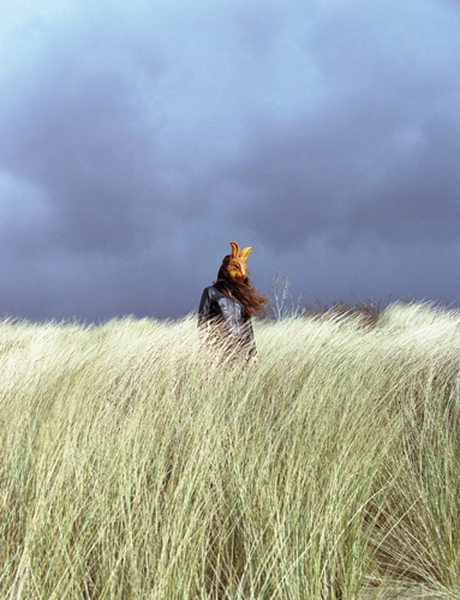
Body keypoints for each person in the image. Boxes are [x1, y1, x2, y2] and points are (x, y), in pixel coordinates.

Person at [198, 241, 268, 364]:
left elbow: (247, 327)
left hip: (241, 349)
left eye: (244, 269)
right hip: (220, 347)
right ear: (226, 269)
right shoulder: (211, 292)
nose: (242, 273)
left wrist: (253, 353)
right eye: (236, 267)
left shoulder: (240, 298)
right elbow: (203, 322)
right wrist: (207, 348)